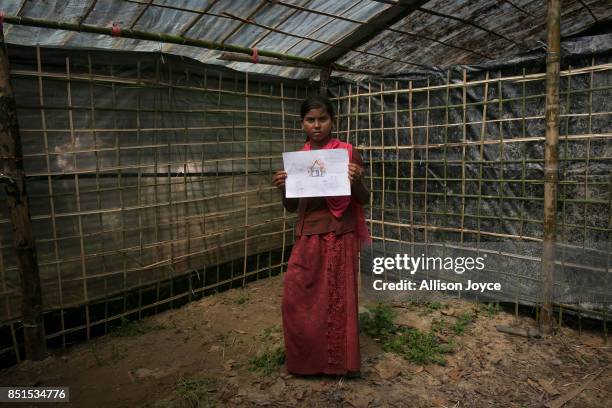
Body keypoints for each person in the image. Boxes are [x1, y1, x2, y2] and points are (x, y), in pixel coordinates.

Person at [272, 96, 370, 376]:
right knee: (298, 296)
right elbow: (291, 207)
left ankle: (339, 364)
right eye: (310, 120)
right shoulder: (299, 160)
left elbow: (364, 199)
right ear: (302, 123)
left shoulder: (347, 153)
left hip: (341, 233)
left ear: (332, 121)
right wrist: (284, 187)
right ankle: (306, 362)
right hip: (309, 234)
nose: (317, 125)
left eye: (322, 119)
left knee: (337, 298)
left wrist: (356, 181)